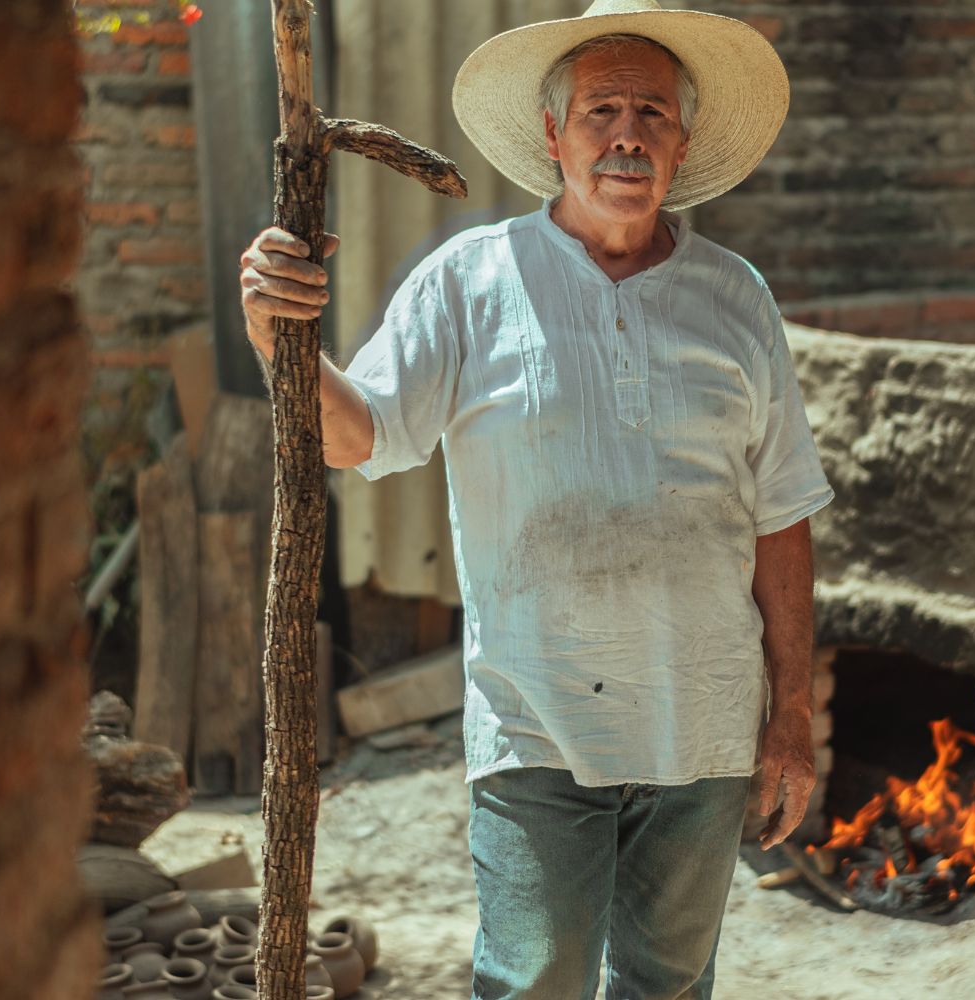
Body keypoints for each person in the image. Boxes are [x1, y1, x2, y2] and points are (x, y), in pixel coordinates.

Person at [239, 2, 831, 996]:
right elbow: (357, 433)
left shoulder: (736, 299)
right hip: (536, 721)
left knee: (668, 983)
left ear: (682, 143)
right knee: (537, 977)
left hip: (707, 722)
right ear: (554, 135)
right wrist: (276, 334)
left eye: (652, 111)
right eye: (601, 109)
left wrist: (791, 715)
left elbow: (780, 516)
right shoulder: (471, 283)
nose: (627, 133)